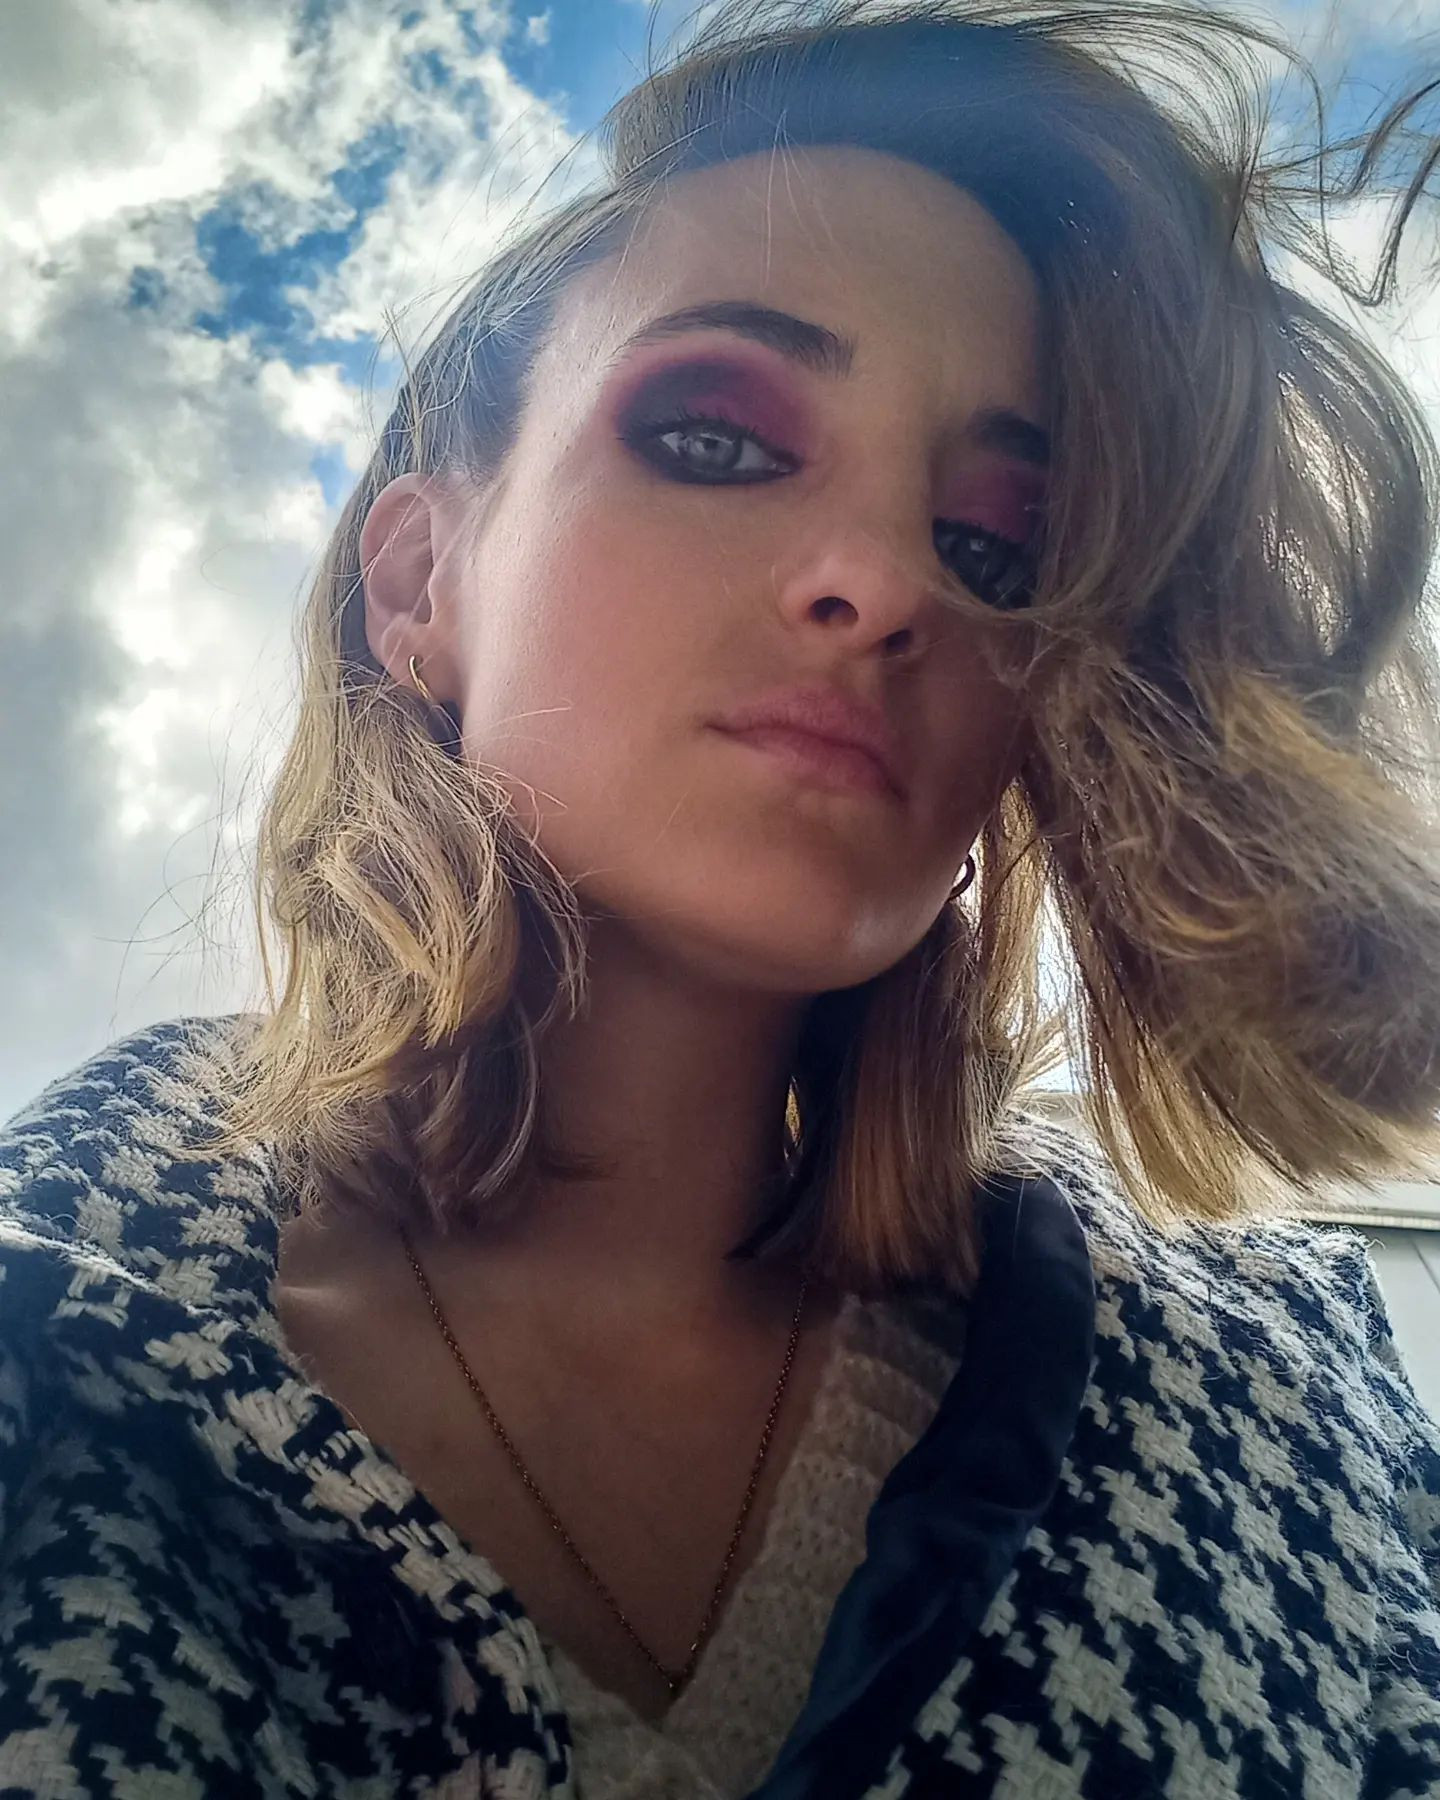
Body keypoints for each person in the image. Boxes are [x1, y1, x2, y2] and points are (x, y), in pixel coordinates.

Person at [4, 1, 1440, 1795]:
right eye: (715, 438)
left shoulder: (1289, 1414)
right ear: (421, 579)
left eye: (996, 546)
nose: (884, 583)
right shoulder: (57, 1350)